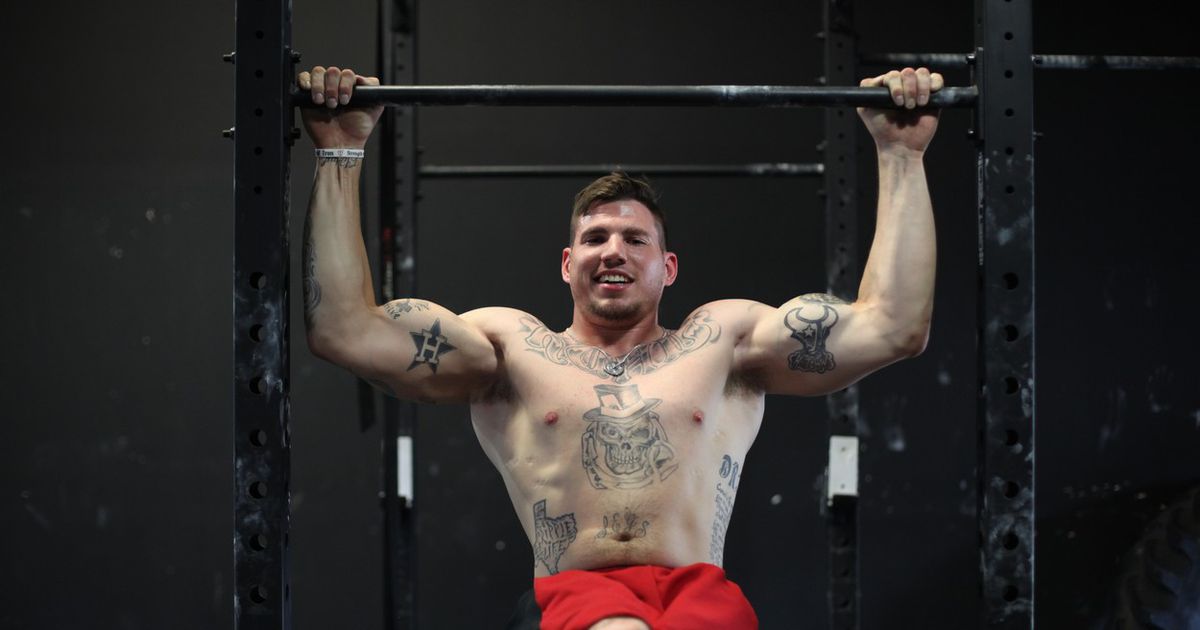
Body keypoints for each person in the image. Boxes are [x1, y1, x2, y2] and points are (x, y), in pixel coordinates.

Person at [297, 65, 943, 630]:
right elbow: (344, 330)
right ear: (566, 264)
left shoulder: (726, 342)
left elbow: (893, 326)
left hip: (698, 602)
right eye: (595, 238)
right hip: (573, 602)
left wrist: (901, 154)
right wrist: (340, 151)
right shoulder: (508, 349)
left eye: (635, 240)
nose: (613, 251)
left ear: (668, 267)